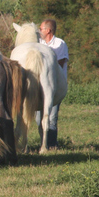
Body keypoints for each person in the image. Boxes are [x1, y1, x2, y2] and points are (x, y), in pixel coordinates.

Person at [38, 19, 69, 149]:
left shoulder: (60, 44)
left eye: (41, 29)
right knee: (37, 118)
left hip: (54, 84)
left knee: (51, 117)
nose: (39, 31)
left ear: (48, 30)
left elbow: (60, 64)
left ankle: (51, 144)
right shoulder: (38, 44)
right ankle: (42, 142)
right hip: (39, 84)